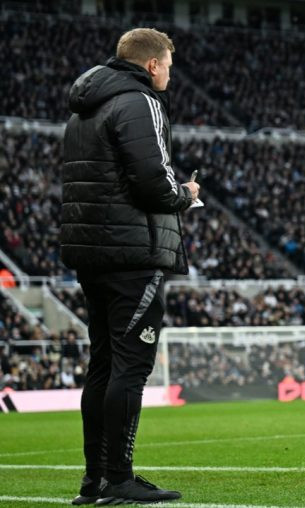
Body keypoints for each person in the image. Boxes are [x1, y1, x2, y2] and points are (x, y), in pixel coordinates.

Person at [61, 28, 199, 505]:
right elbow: (152, 182)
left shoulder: (84, 107)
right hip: (131, 253)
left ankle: (94, 480)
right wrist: (185, 195)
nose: (169, 76)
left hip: (91, 250)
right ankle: (118, 478)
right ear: (153, 65)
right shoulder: (140, 102)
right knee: (129, 367)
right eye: (168, 67)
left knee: (101, 365)